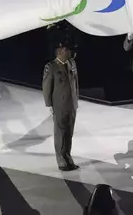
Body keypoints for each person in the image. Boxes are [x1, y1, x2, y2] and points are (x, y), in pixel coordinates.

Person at [43, 39, 79, 171]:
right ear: (59, 52)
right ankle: (61, 160)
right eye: (66, 49)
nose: (69, 51)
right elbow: (47, 86)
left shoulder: (71, 63)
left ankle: (68, 157)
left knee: (69, 133)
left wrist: (76, 100)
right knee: (60, 133)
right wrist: (49, 105)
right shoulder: (51, 67)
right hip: (59, 104)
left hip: (71, 104)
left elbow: (75, 83)